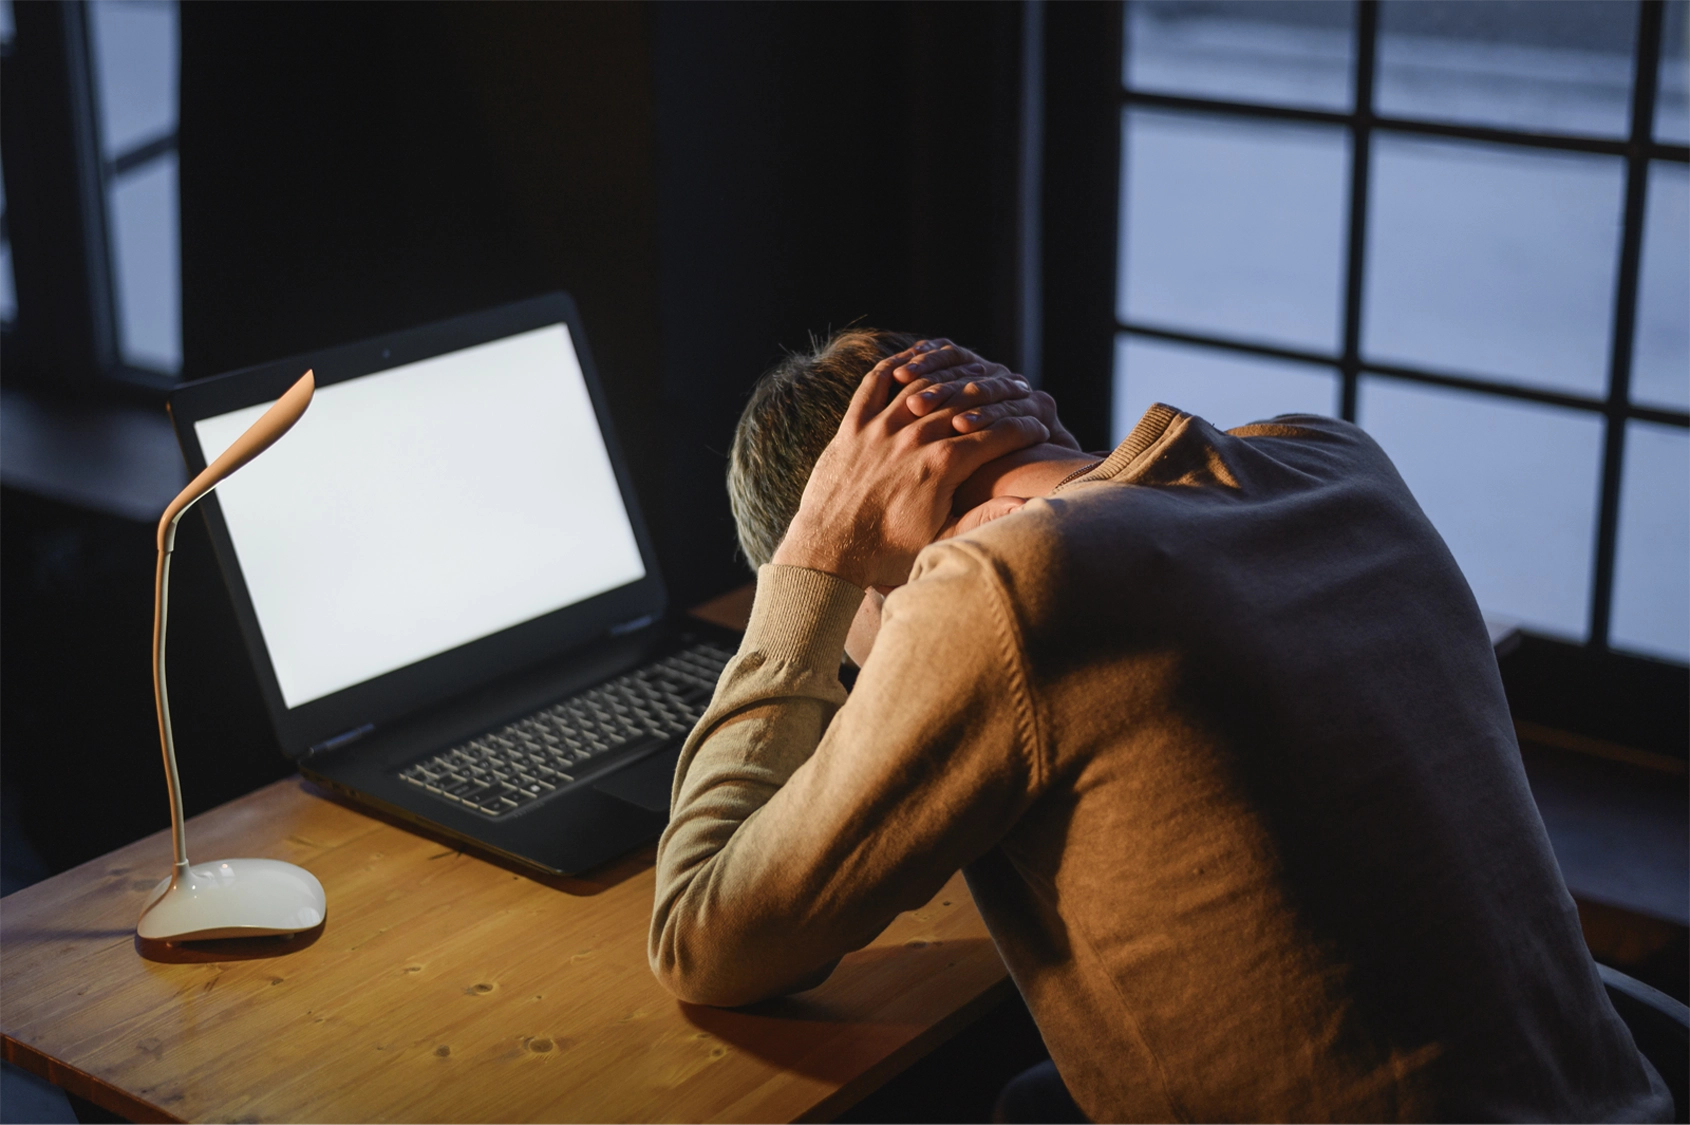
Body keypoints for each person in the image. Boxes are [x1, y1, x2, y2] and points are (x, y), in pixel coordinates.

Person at [647, 329, 1671, 1123]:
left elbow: (704, 940)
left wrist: (808, 571)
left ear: (866, 538)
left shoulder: (997, 588)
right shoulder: (1334, 461)